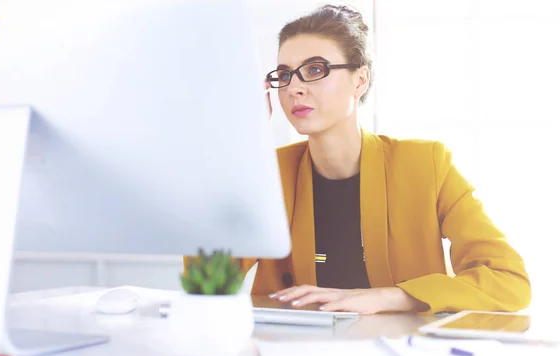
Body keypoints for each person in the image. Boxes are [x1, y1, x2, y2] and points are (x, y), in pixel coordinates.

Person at [184, 4, 531, 314]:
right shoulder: (268, 173)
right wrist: (241, 147)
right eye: (285, 74)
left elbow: (509, 281)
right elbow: (204, 281)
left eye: (315, 69)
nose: (294, 88)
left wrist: (390, 297)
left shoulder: (426, 164)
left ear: (360, 79)